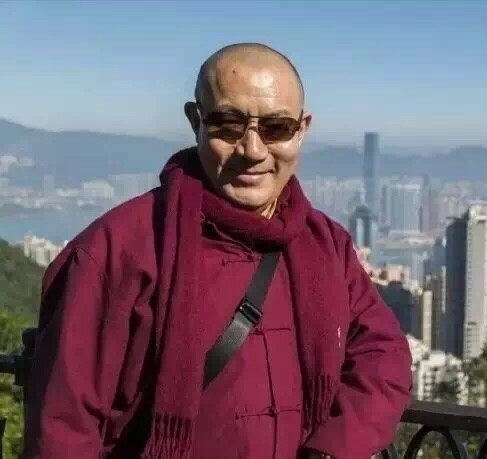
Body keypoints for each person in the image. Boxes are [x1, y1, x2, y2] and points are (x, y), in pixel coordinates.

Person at [24, 43, 413, 459]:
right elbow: (63, 427)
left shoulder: (326, 244)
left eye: (276, 127)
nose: (253, 150)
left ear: (302, 129)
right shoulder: (120, 248)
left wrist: (334, 447)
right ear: (196, 121)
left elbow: (382, 354)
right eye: (228, 125)